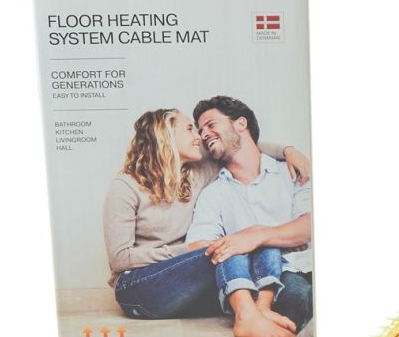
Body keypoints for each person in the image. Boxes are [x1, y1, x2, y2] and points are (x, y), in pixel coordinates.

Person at [103, 109, 310, 322]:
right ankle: (248, 317)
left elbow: (238, 146)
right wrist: (187, 249)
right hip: (137, 287)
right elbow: (120, 259)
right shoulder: (125, 187)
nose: (199, 137)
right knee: (229, 246)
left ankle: (260, 310)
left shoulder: (198, 173)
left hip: (186, 283)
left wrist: (287, 150)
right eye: (190, 129)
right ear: (165, 135)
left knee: (249, 238)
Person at [185, 95, 314, 337]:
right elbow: (198, 246)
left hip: (317, 262)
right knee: (303, 297)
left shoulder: (291, 170)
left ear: (240, 124)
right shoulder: (213, 194)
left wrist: (256, 235)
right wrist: (281, 238)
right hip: (278, 278)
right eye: (200, 130)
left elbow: (310, 227)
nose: (204, 134)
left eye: (211, 124)